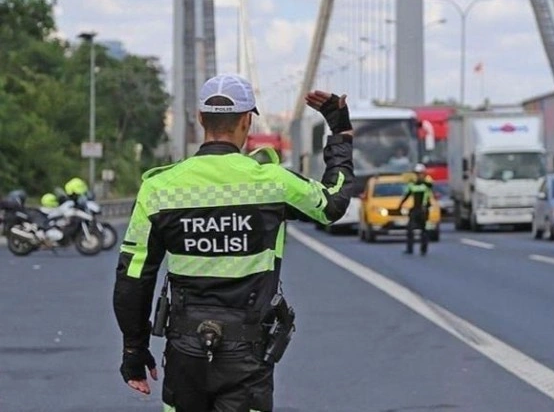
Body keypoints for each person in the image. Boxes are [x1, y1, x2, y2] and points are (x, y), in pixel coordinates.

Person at [112, 73, 354, 412]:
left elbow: (132, 278)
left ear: (200, 119)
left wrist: (134, 351)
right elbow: (333, 204)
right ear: (246, 120)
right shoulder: (272, 182)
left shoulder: (160, 189)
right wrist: (340, 132)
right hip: (248, 353)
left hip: (185, 351)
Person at [397, 163, 434, 256]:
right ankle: (410, 249)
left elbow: (430, 186)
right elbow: (407, 195)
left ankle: (423, 249)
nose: (419, 175)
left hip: (424, 209)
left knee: (424, 231)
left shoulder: (427, 184)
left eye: (420, 173)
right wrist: (400, 205)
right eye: (417, 174)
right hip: (415, 209)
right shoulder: (412, 185)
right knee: (410, 229)